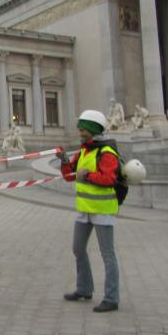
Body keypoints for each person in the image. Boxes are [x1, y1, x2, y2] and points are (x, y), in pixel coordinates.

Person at [56, 110, 121, 312]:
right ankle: (84, 288)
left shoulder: (107, 153)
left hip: (102, 210)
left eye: (82, 128)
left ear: (92, 129)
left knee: (107, 254)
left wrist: (88, 176)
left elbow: (109, 179)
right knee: (78, 248)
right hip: (84, 210)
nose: (79, 131)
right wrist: (64, 160)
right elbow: (69, 176)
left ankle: (111, 298)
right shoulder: (84, 151)